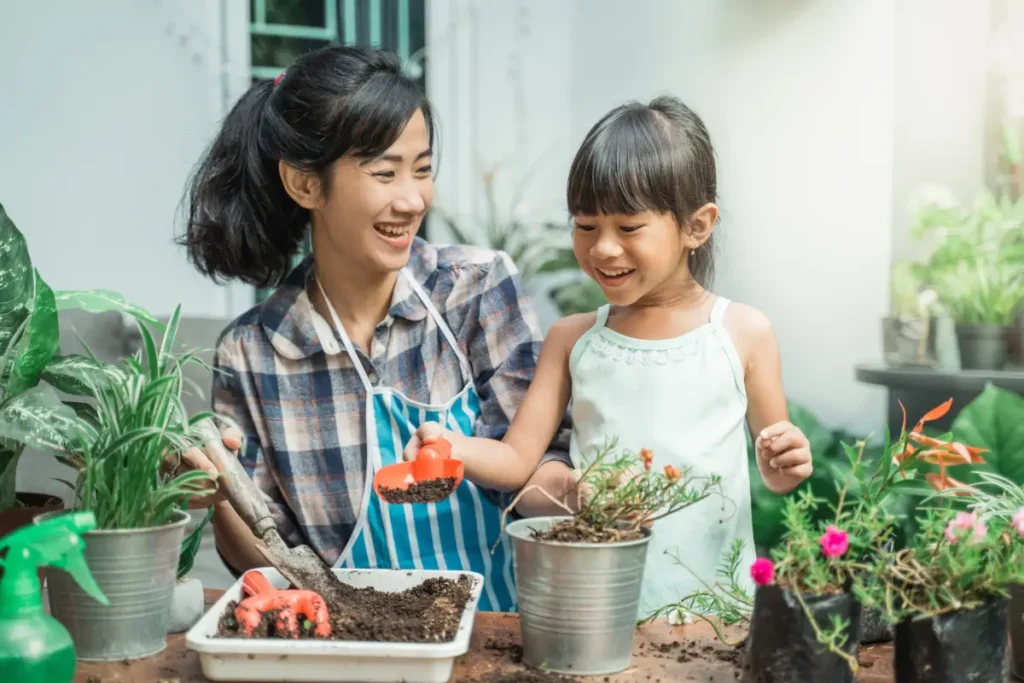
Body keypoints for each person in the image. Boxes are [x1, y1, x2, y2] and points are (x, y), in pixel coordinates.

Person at [174, 45, 573, 612]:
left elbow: (540, 465)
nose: (412, 200)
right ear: (305, 185)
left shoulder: (475, 289)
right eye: (384, 172)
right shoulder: (254, 352)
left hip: (498, 632)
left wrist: (585, 494)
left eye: (424, 169)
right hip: (352, 645)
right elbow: (263, 559)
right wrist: (219, 488)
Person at [404, 96, 813, 617]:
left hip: (716, 614)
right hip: (595, 607)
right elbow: (515, 461)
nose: (602, 248)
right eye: (586, 225)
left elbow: (776, 473)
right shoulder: (573, 339)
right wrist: (450, 446)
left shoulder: (741, 332)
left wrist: (786, 459)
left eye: (629, 227)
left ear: (698, 225)